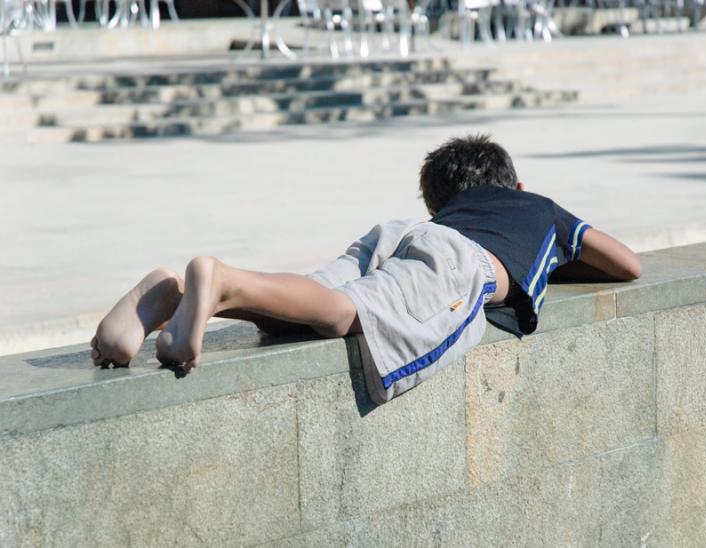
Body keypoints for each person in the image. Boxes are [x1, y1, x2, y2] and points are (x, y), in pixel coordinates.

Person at [90, 134, 640, 404]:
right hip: (460, 262)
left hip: (396, 237)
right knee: (343, 315)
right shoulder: (538, 208)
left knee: (304, 303)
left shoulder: (433, 219)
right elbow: (625, 264)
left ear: (439, 201)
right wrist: (555, 251)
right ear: (515, 186)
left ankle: (180, 292)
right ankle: (222, 277)